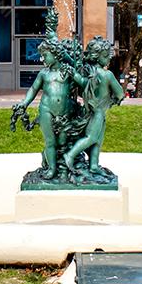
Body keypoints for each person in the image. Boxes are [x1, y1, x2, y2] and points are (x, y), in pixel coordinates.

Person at [13, 41, 75, 179]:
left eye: (45, 55)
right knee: (50, 141)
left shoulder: (67, 71)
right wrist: (24, 103)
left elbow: (81, 81)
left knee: (63, 141)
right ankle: (52, 169)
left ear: (55, 55)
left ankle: (57, 164)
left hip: (65, 112)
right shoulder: (43, 74)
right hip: (46, 109)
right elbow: (33, 89)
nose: (42, 59)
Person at [63, 37, 124, 177]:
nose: (109, 59)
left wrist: (74, 73)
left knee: (98, 140)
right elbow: (120, 93)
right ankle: (70, 155)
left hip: (89, 111)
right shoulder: (107, 75)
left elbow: (82, 83)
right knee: (91, 138)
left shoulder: (88, 74)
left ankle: (94, 165)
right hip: (98, 113)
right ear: (98, 57)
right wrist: (114, 99)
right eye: (106, 56)